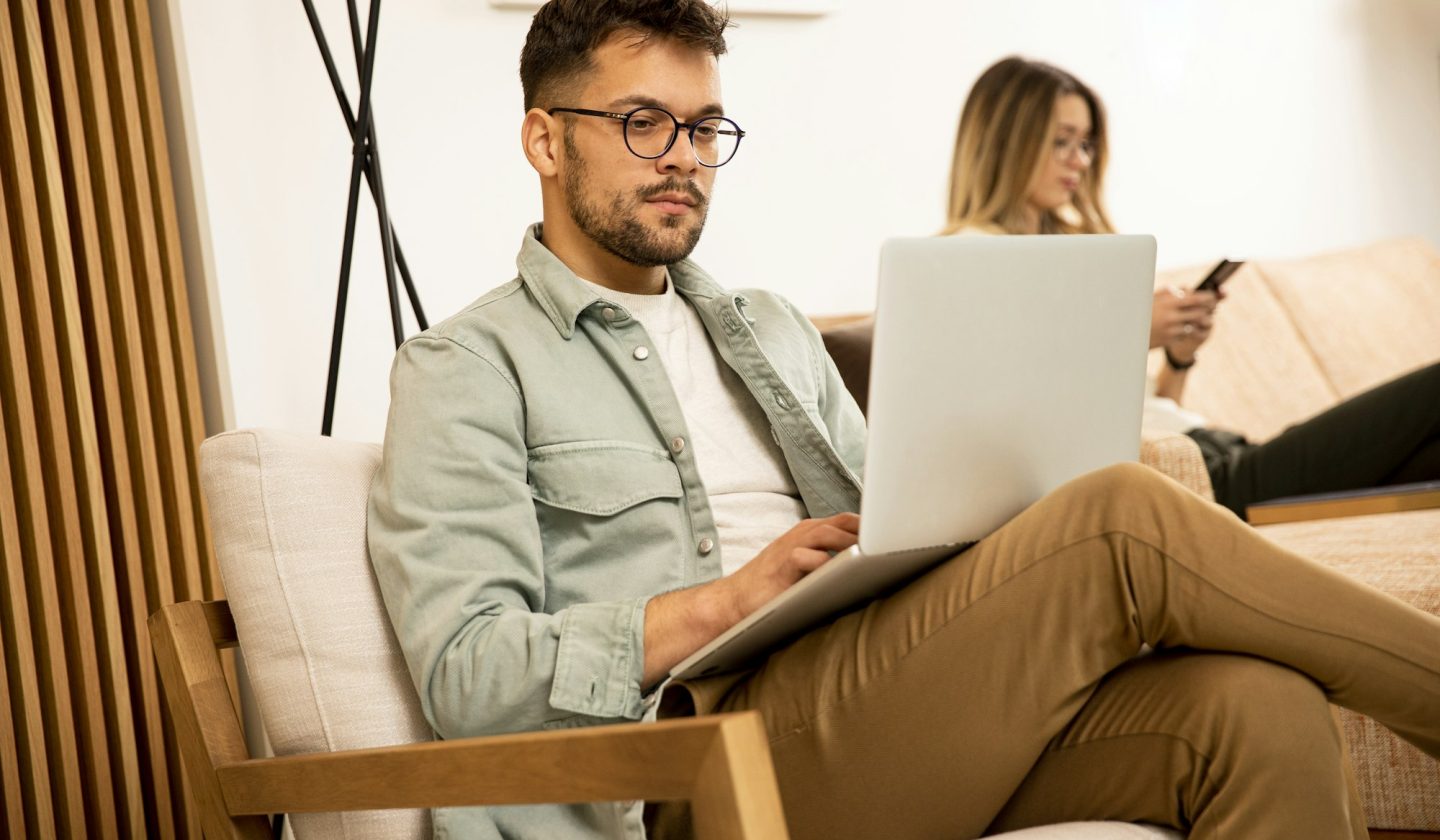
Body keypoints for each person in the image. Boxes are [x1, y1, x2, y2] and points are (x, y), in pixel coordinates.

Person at [366, 5, 1440, 839]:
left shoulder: (770, 330)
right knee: (1119, 513)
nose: (684, 157)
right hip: (693, 775)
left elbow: (902, 518)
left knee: (1260, 710)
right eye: (644, 123)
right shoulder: (466, 369)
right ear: (546, 142)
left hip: (868, 702)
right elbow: (469, 674)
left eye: (703, 127)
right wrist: (727, 602)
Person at [939, 55, 1440, 517]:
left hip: (1214, 447)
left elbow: (1137, 408)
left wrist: (1177, 356)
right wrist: (1131, 330)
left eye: (1087, 143)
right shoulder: (968, 254)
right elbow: (1016, 413)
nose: (1081, 160)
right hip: (1203, 480)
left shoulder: (1076, 249)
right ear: (1006, 140)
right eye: (1061, 141)